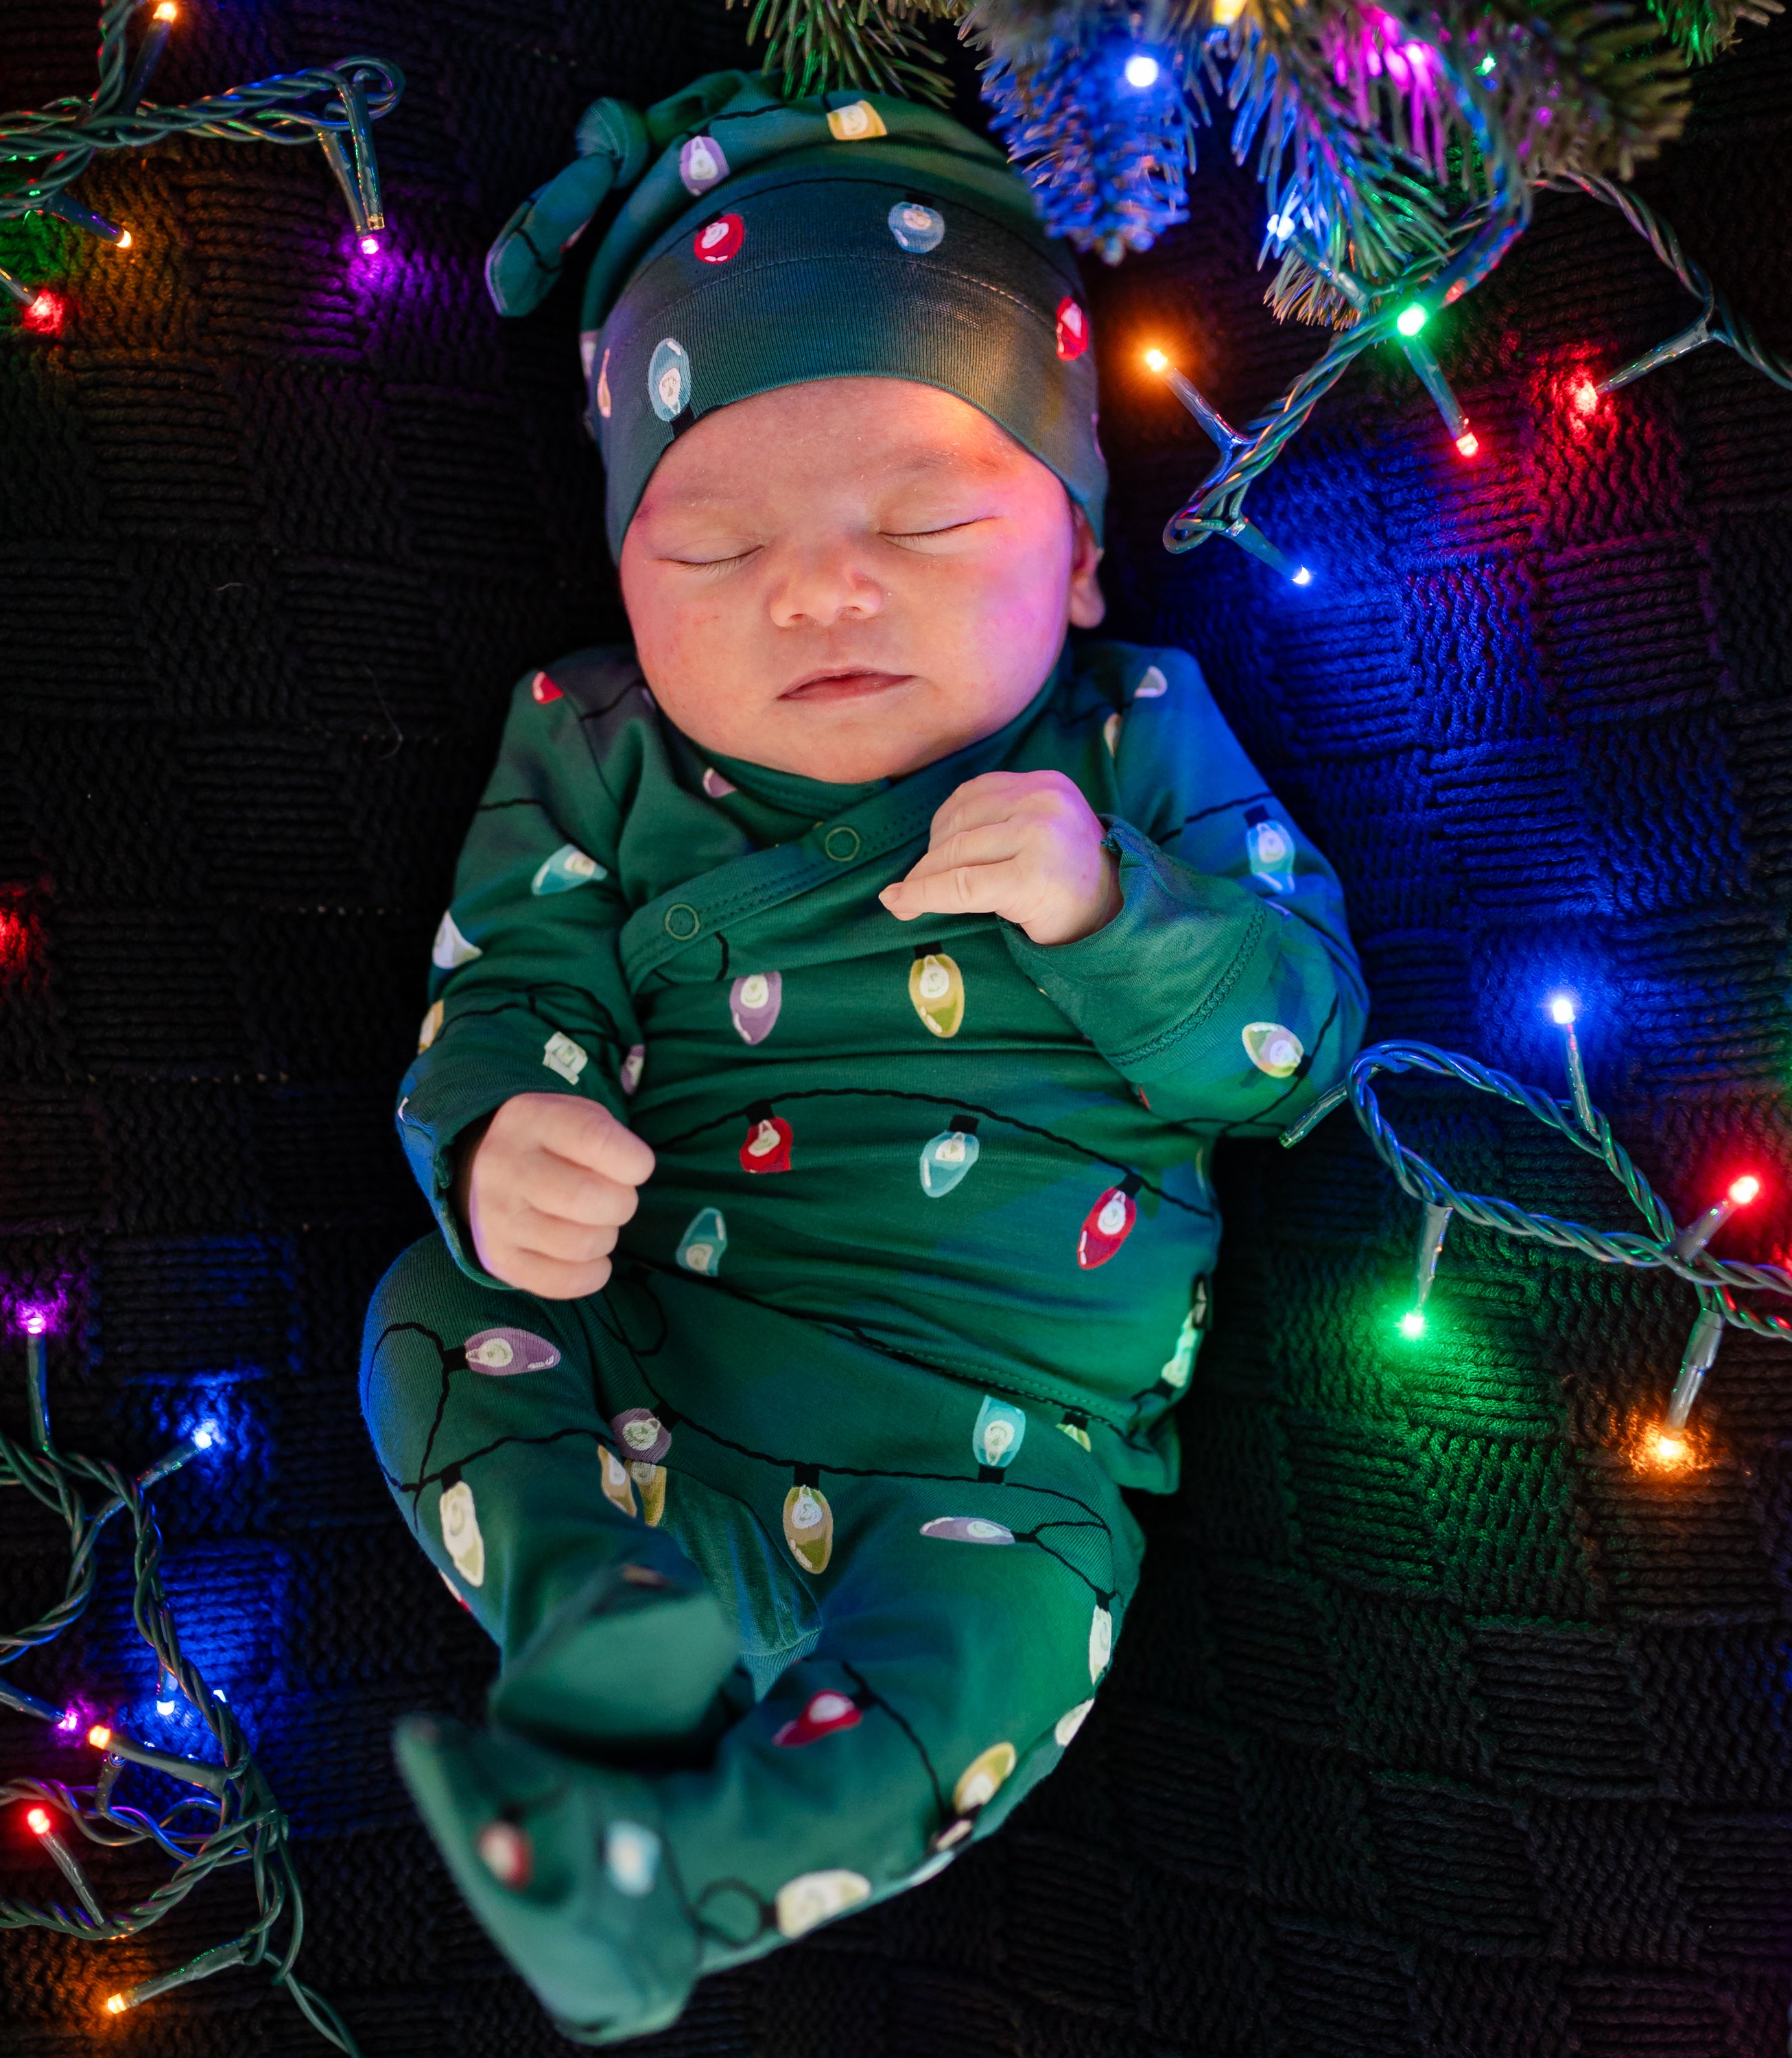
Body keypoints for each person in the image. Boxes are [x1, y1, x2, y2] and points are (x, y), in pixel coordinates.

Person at [359, 69, 1366, 2045]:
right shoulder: (592, 749)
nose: (822, 586)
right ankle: (594, 1630)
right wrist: (498, 1146)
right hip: (662, 1362)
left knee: (998, 1652)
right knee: (428, 1318)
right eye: (715, 547)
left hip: (994, 1450)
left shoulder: (1129, 740)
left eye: (921, 517)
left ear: (1078, 560)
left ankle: (680, 1882)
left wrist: (1113, 914)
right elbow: (503, 991)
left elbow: (1297, 1048)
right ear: (624, 584)